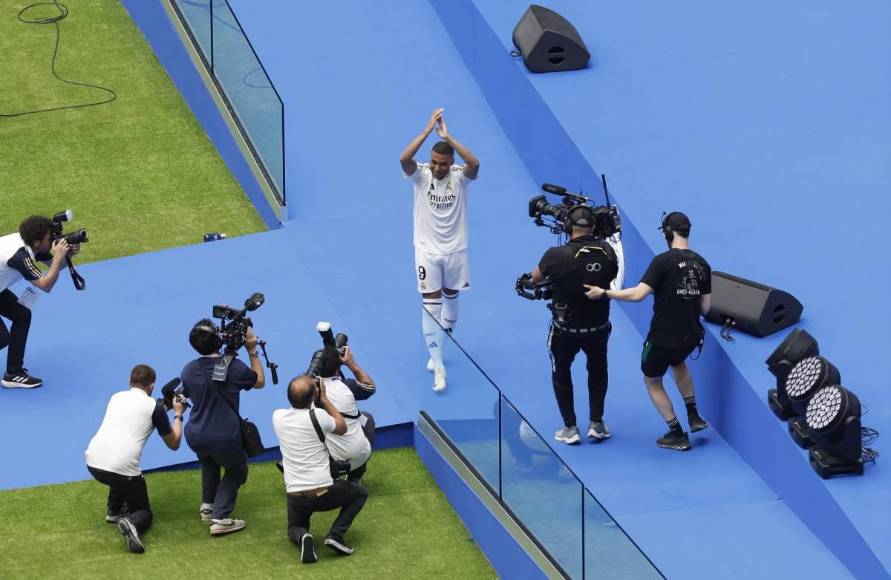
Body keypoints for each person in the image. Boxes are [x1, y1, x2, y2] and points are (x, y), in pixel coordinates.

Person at [584, 211, 711, 451]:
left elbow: (638, 294)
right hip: (691, 336)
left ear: (668, 233)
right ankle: (694, 415)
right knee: (679, 364)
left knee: (652, 381)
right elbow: (705, 308)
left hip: (662, 338)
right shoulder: (703, 263)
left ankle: (676, 433)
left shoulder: (663, 262)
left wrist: (605, 292)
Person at [400, 108, 480, 392]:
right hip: (426, 250)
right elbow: (404, 158)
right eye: (434, 162)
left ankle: (441, 347)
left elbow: (475, 162)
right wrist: (426, 132)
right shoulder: (421, 175)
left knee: (452, 298)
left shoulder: (460, 176)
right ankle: (438, 366)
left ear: (451, 163)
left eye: (443, 164)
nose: (437, 167)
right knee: (430, 301)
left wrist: (448, 137)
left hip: (456, 250)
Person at [528, 206, 619, 445]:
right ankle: (596, 424)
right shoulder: (609, 252)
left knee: (561, 373)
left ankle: (570, 428)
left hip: (565, 330)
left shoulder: (554, 255)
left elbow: (534, 279)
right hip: (598, 327)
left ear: (569, 227)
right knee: (598, 371)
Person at [84, 364, 184, 553]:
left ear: (130, 381)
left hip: (92, 462)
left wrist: (164, 408)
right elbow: (174, 443)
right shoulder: (155, 408)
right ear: (152, 387)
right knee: (144, 512)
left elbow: (142, 413)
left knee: (119, 462)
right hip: (119, 470)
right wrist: (178, 414)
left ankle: (114, 511)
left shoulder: (116, 397)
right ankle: (132, 523)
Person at [180, 319, 265, 535]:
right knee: (237, 470)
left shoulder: (189, 369)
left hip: (196, 434)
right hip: (224, 436)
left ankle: (208, 506)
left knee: (209, 461)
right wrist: (252, 350)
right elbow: (260, 381)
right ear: (218, 340)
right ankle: (220, 517)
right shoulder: (234, 367)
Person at [274, 375, 368, 564]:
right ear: (314, 395)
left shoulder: (277, 417)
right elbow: (342, 427)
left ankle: (303, 537)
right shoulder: (319, 416)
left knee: (295, 527)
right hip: (324, 492)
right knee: (359, 493)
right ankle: (335, 535)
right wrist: (324, 399)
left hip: (295, 495)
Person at [0, 216, 77, 388]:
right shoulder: (19, 256)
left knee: (22, 315)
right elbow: (46, 285)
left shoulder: (30, 242)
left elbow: (53, 265)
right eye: (49, 239)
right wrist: (57, 258)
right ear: (36, 242)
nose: (52, 242)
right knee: (1, 338)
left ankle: (13, 373)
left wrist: (67, 255)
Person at [315, 345, 377, 482]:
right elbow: (370, 387)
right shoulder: (348, 386)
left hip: (322, 462)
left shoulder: (306, 391)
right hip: (357, 458)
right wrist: (351, 364)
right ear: (338, 369)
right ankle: (355, 477)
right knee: (367, 419)